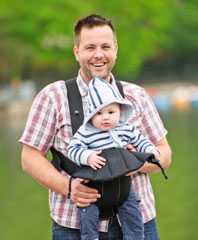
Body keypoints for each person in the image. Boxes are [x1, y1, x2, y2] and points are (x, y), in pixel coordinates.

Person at [19, 14, 172, 240]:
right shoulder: (52, 96)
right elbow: (29, 157)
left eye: (105, 46)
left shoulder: (136, 95)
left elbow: (165, 154)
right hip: (73, 226)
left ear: (115, 50)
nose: (99, 54)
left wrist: (132, 163)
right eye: (90, 47)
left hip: (139, 222)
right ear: (76, 51)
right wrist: (68, 187)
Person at [67, 77, 161, 240]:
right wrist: (87, 156)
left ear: (120, 111)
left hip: (122, 184)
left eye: (111, 112)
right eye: (99, 113)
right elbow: (72, 149)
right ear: (90, 115)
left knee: (132, 212)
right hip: (95, 186)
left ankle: (135, 237)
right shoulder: (86, 132)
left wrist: (150, 150)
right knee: (88, 215)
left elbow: (140, 140)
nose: (105, 117)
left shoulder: (125, 129)